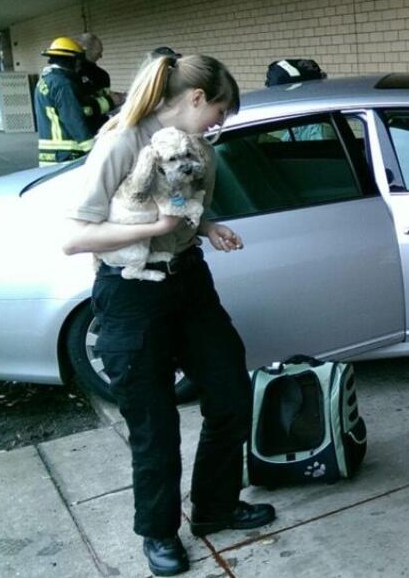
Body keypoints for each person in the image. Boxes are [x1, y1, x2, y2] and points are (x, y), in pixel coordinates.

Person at [60, 54, 274, 577]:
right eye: (219, 110)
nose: (221, 123)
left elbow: (182, 205)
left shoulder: (199, 147)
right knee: (153, 423)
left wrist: (208, 228)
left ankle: (215, 507)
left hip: (189, 282)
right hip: (130, 293)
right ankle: (157, 532)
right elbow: (77, 237)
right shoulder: (120, 141)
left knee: (229, 393)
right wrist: (151, 230)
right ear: (197, 98)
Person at [34, 36, 102, 166]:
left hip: (50, 156)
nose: (79, 64)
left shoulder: (46, 80)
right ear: (68, 60)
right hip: (67, 155)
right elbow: (74, 120)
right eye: (77, 60)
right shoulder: (63, 84)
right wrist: (94, 151)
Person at [74, 32, 124, 129]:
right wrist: (111, 101)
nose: (101, 56)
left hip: (101, 126)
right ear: (86, 50)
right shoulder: (70, 76)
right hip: (83, 130)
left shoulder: (102, 75)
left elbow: (103, 95)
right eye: (98, 52)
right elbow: (79, 107)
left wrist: (118, 97)